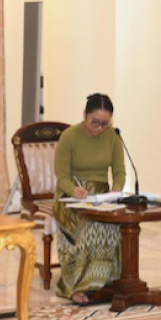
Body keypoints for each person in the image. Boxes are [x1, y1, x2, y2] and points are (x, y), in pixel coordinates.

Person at [53, 93, 126, 304]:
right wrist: (73, 190)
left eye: (105, 124)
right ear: (85, 114)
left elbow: (119, 171)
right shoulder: (69, 136)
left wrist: (117, 189)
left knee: (112, 224)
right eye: (95, 122)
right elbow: (62, 176)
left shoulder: (113, 137)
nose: (100, 129)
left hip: (101, 197)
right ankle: (78, 285)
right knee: (95, 226)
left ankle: (106, 281)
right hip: (70, 199)